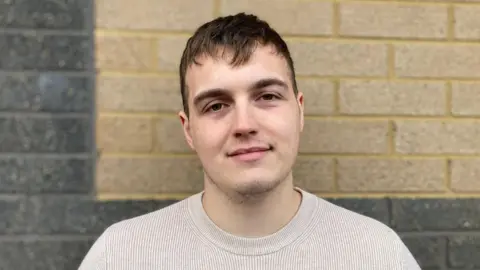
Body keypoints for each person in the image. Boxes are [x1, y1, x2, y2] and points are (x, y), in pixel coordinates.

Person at [78, 13, 421, 270]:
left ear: (299, 112)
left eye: (267, 97)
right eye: (216, 105)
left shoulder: (377, 255)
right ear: (188, 130)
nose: (244, 124)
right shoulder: (120, 256)